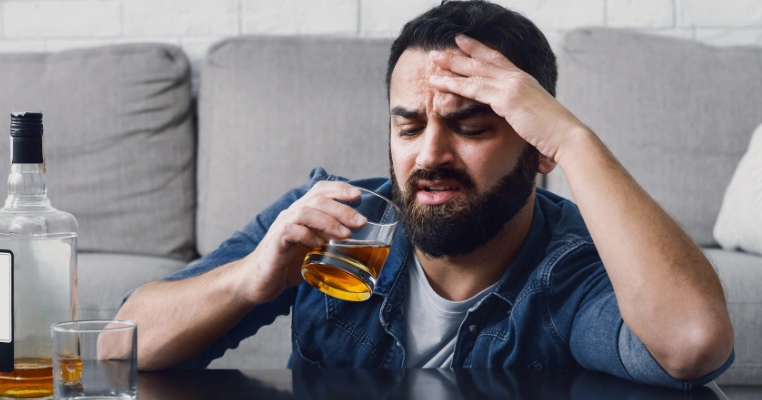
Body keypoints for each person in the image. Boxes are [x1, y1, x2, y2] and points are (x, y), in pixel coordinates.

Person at [115, 0, 734, 389]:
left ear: (536, 144)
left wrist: (572, 140)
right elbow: (119, 345)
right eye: (408, 127)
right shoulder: (332, 218)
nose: (430, 155)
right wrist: (249, 279)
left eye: (471, 127)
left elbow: (693, 345)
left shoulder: (569, 269)